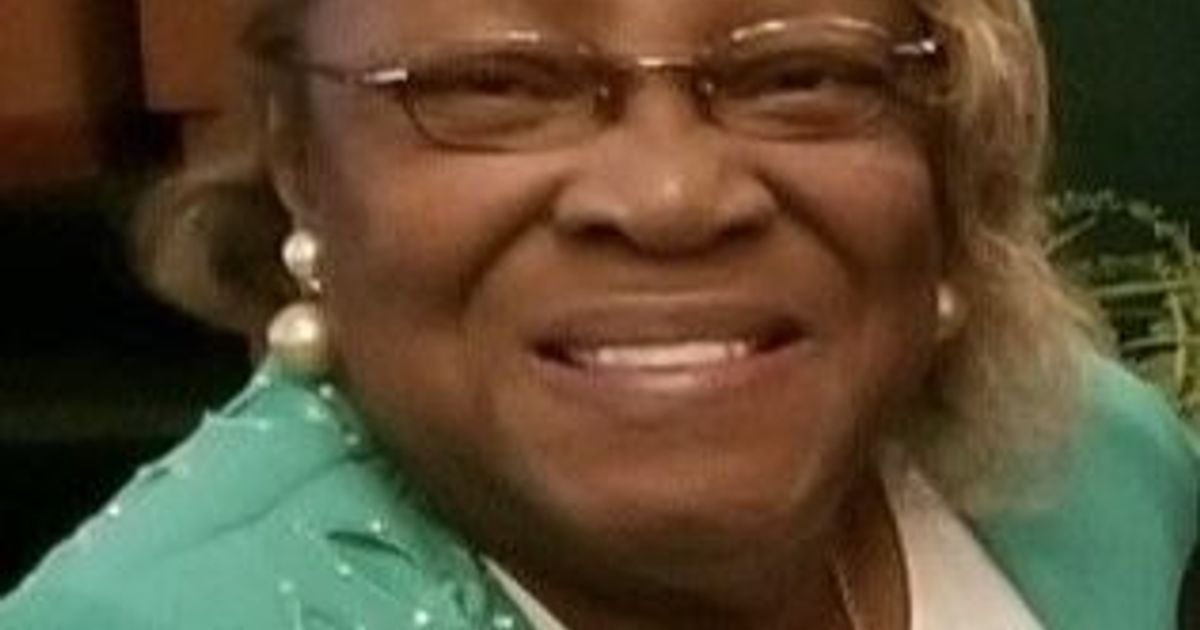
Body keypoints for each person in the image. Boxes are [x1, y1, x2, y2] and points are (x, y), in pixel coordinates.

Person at [1, 0, 1196, 628]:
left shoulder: (1095, 463)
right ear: (301, 162)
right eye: (494, 85)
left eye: (801, 72)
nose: (670, 196)